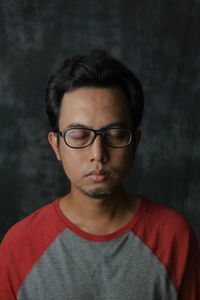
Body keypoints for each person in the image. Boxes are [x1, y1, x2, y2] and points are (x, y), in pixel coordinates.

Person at [0, 50, 199, 300]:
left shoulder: (173, 236)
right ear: (56, 145)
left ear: (135, 141)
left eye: (115, 134)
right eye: (79, 135)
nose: (98, 154)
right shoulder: (19, 244)